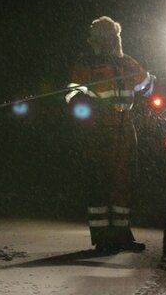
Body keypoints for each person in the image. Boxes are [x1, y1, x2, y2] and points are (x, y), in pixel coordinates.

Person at [66, 16, 154, 253]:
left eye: (113, 37)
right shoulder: (86, 64)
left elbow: (147, 87)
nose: (110, 41)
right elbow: (72, 93)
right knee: (99, 181)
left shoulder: (126, 63)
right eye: (104, 37)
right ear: (96, 39)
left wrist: (148, 81)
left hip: (125, 126)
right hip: (98, 128)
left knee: (123, 182)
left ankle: (121, 236)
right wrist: (82, 101)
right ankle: (103, 239)